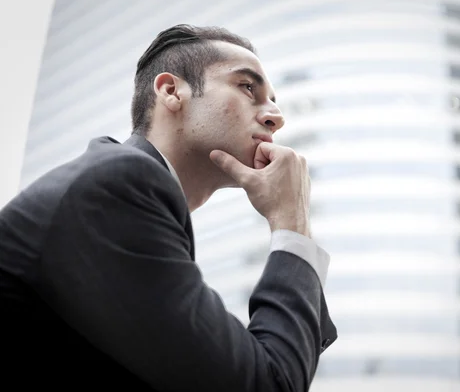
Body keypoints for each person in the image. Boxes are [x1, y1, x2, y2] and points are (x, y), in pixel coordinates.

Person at [0, 24, 336, 391]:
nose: (276, 116)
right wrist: (292, 223)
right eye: (247, 87)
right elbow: (268, 383)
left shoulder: (131, 193)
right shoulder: (121, 183)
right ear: (172, 91)